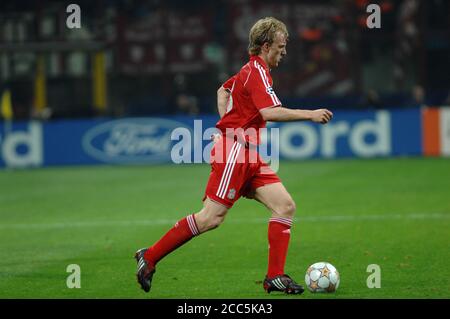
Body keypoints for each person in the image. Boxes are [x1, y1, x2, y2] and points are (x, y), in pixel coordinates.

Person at [135, 17, 333, 295]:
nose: (284, 52)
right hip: (235, 153)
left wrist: (229, 119)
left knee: (285, 206)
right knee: (210, 218)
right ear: (265, 46)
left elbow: (223, 90)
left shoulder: (250, 71)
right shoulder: (257, 72)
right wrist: (310, 114)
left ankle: (274, 277)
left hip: (250, 154)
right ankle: (150, 256)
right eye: (280, 46)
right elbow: (270, 113)